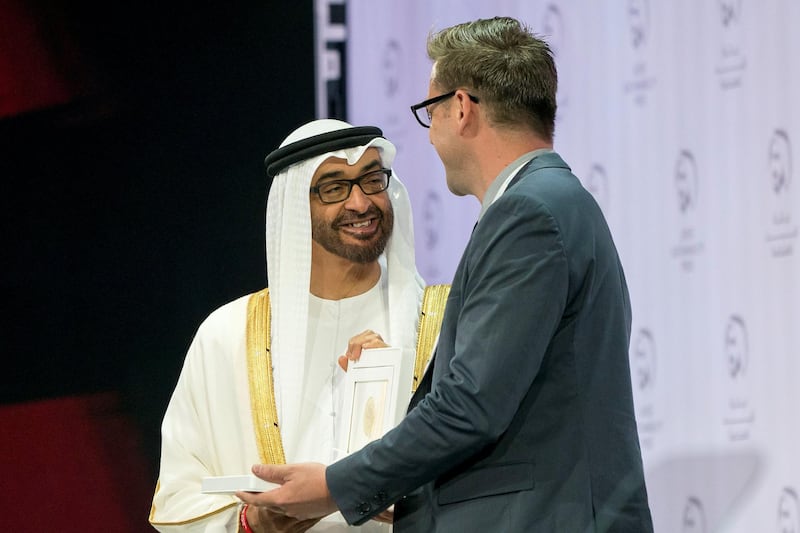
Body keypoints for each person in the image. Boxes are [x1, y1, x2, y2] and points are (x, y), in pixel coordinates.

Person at [237, 16, 655, 533]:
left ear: (460, 108)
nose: (430, 137)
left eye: (428, 112)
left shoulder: (528, 214)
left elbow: (470, 407)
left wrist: (333, 487)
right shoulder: (551, 202)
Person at [149, 119, 429, 532]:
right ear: (297, 205)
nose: (360, 202)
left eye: (371, 180)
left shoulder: (440, 320)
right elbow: (177, 498)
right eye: (334, 187)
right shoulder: (226, 336)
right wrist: (254, 522)